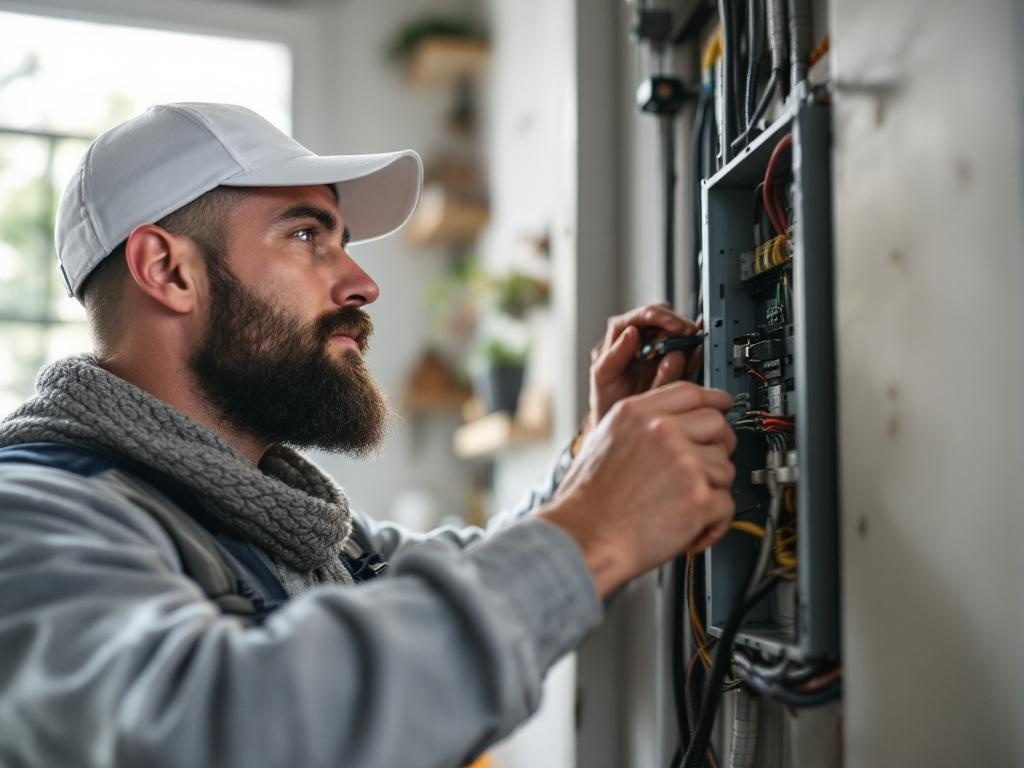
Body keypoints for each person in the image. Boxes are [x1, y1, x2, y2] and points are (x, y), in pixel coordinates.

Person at [0, 103, 736, 768]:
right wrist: (593, 532)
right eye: (305, 234)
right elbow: (199, 732)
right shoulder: (32, 514)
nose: (361, 281)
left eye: (340, 239)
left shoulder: (296, 526)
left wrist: (593, 458)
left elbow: (470, 568)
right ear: (169, 271)